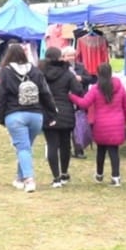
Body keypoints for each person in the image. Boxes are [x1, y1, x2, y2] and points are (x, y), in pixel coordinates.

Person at [0, 43, 57, 193]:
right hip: (36, 115)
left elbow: (1, 97)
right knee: (26, 147)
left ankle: (29, 180)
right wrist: (51, 112)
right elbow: (45, 94)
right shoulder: (35, 71)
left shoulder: (5, 73)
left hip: (15, 114)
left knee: (23, 148)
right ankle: (19, 178)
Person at [70, 63, 126, 186]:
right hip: (117, 123)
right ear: (111, 72)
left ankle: (99, 174)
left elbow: (84, 103)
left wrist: (71, 96)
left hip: (100, 124)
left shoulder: (95, 89)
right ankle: (116, 177)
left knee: (101, 150)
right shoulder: (120, 87)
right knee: (114, 151)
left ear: (98, 74)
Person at [41, 47, 85, 188]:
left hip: (48, 111)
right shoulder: (67, 73)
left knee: (52, 144)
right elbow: (78, 90)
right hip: (66, 111)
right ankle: (64, 173)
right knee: (65, 144)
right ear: (60, 57)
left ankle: (56, 177)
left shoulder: (41, 73)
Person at [62, 46, 92, 160]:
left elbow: (90, 78)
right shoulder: (61, 67)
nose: (71, 58)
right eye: (69, 55)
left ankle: (79, 150)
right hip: (65, 99)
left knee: (78, 124)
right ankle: (66, 150)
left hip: (78, 97)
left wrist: (82, 78)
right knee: (66, 125)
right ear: (63, 56)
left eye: (73, 55)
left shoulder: (80, 66)